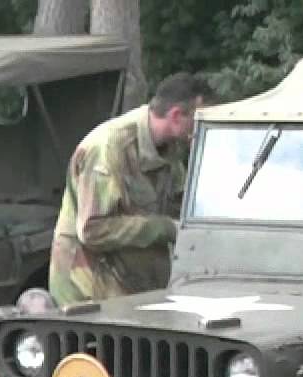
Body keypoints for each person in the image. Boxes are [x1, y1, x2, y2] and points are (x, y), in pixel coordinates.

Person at [48, 72, 215, 305]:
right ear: (176, 116)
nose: (200, 128)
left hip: (133, 281)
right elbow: (92, 229)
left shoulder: (168, 149)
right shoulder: (108, 149)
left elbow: (180, 201)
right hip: (89, 287)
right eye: (197, 120)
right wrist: (163, 228)